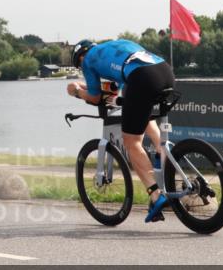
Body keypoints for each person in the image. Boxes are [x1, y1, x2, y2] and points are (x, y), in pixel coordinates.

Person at [66, 39, 176, 223]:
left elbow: (94, 97)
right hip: (164, 71)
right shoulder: (117, 45)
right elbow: (120, 85)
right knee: (145, 119)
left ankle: (156, 195)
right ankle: (169, 166)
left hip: (142, 79)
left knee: (131, 142)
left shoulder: (87, 59)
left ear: (81, 56)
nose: (81, 68)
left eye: (79, 65)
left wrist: (76, 91)